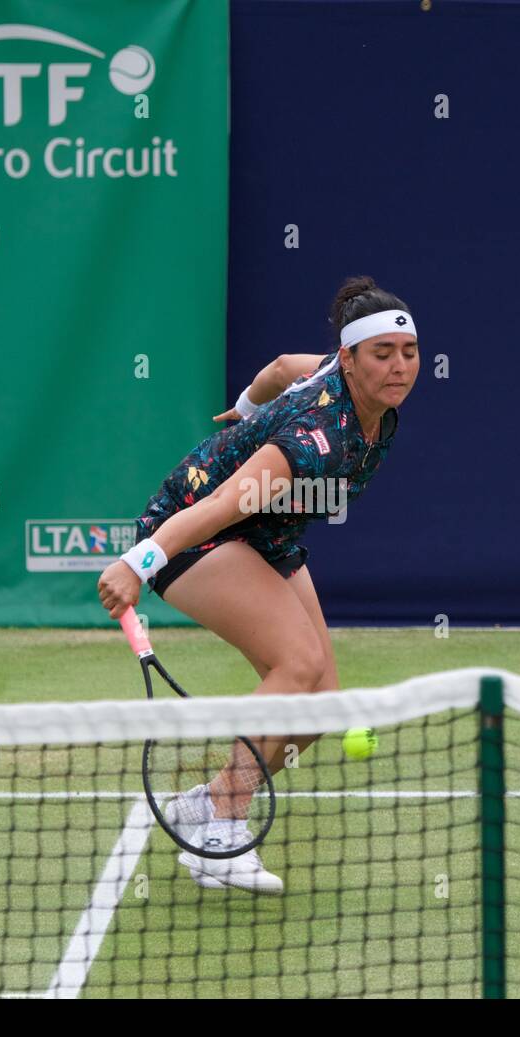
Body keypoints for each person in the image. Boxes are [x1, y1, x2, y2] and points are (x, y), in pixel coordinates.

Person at [98, 275, 419, 892]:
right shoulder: (313, 439)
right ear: (350, 362)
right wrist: (138, 562)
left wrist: (247, 409)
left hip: (266, 536)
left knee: (320, 706)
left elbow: (279, 367)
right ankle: (220, 829)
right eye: (383, 355)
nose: (399, 366)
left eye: (407, 352)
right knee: (295, 663)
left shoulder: (355, 384)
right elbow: (220, 505)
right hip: (194, 534)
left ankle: (208, 799)